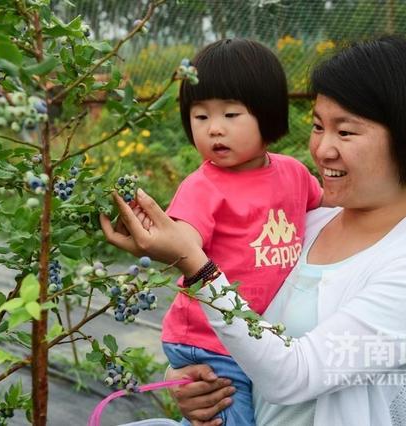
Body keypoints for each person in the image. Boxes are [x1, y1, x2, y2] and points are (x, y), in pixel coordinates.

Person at [101, 35, 406, 426]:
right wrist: (193, 379)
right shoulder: (305, 221)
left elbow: (295, 375)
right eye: (317, 126)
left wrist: (195, 265)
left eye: (345, 132)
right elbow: (246, 328)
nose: (322, 149)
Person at [142, 38, 323, 426]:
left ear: (268, 115)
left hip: (255, 338)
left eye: (230, 114)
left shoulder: (293, 173)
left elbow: (329, 209)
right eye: (201, 116)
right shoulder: (203, 186)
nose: (215, 129)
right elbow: (183, 238)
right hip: (211, 341)